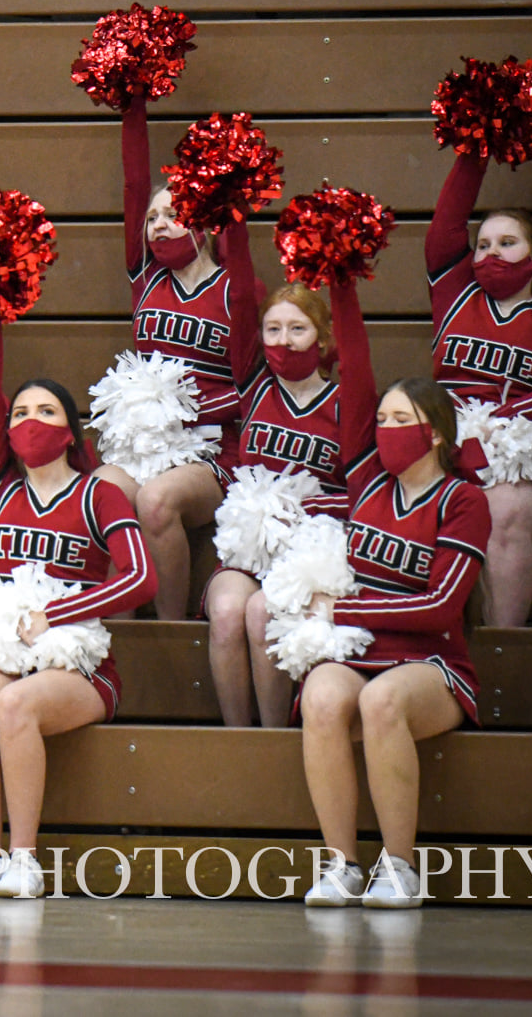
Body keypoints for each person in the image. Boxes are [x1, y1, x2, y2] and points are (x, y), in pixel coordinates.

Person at [0, 321, 156, 899]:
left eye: (46, 411)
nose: (29, 422)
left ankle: (25, 860)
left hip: (81, 664)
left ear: (69, 432)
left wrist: (58, 615)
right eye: (19, 414)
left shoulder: (98, 493)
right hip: (13, 649)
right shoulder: (1, 491)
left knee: (14, 704)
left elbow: (141, 577)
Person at [299, 348, 489, 910]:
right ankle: (341, 865)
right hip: (362, 652)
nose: (386, 429)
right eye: (382, 420)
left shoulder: (464, 500)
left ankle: (400, 867)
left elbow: (441, 609)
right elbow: (356, 381)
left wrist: (343, 612)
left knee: (380, 700)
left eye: (402, 419)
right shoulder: (368, 483)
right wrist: (340, 295)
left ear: (436, 433)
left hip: (433, 663)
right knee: (320, 695)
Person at [426, 153, 532, 625]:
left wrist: (498, 422)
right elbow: (444, 227)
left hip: (531, 462)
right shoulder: (454, 295)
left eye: (507, 243)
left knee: (501, 511)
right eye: (483, 245)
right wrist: (474, 150)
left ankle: (503, 647)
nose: (492, 254)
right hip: (454, 447)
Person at [115, 101, 261, 618]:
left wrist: (184, 412)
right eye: (152, 219)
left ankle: (170, 631)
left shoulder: (236, 290)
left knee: (156, 500)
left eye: (173, 215)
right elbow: (134, 185)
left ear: (204, 223)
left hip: (213, 448)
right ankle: (112, 631)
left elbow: (251, 388)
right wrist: (132, 101)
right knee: (100, 493)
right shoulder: (146, 278)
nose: (159, 224)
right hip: (145, 446)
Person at [206, 284, 354, 729]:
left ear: (322, 338)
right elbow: (240, 297)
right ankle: (238, 739)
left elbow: (368, 496)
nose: (284, 341)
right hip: (253, 548)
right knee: (227, 611)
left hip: (315, 549)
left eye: (297, 329)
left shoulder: (346, 404)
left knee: (261, 611)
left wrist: (307, 507)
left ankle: (273, 737)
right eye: (273, 329)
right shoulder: (254, 388)